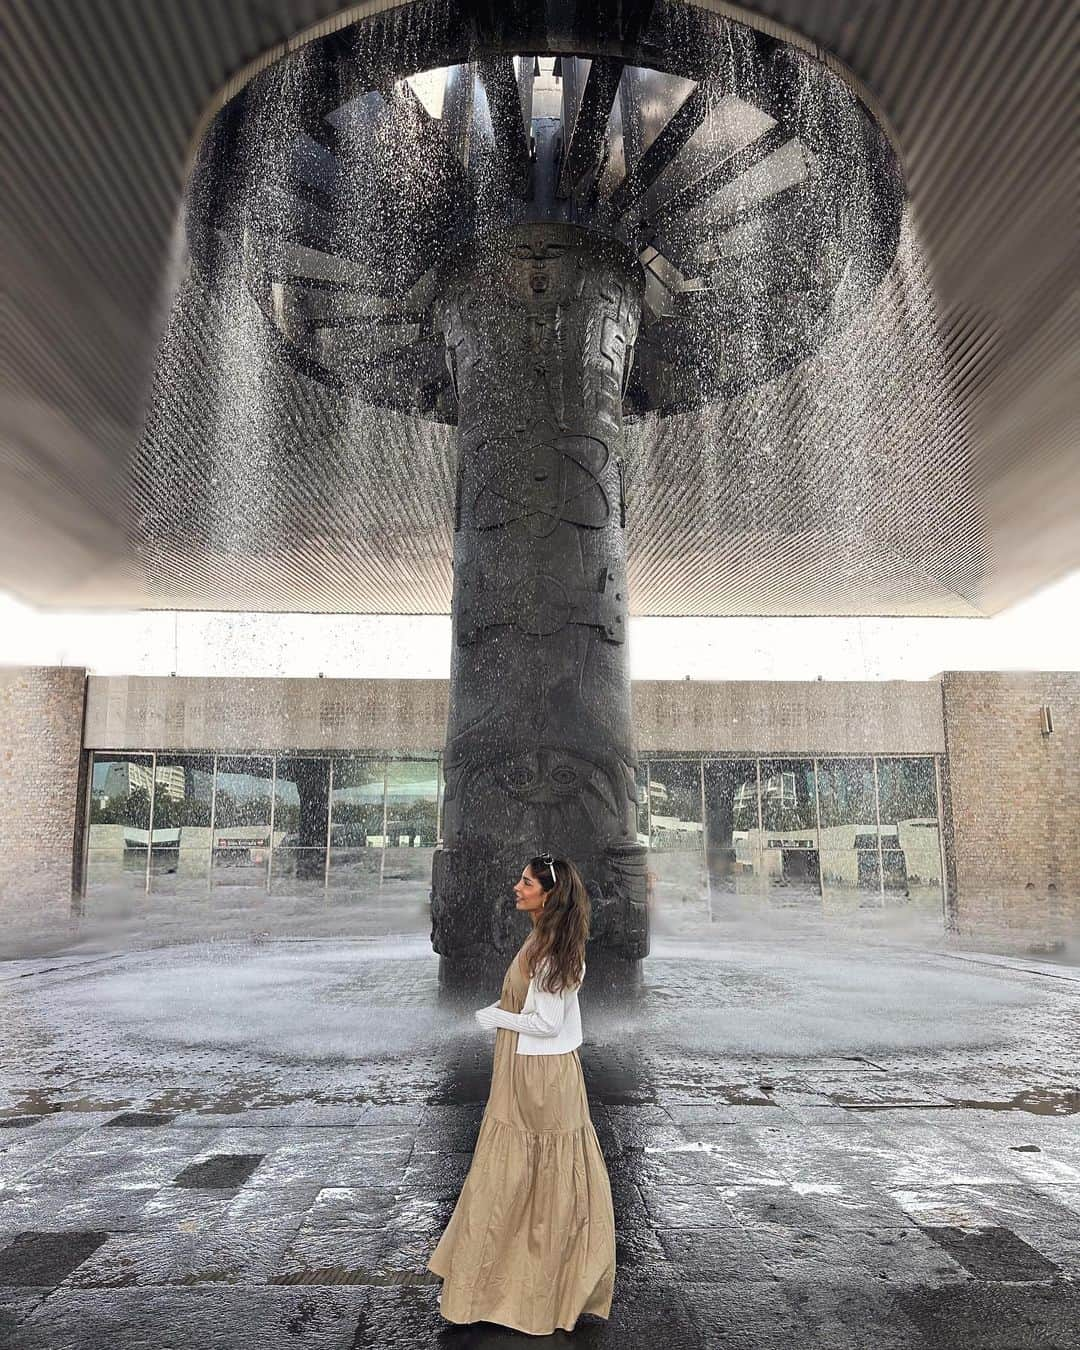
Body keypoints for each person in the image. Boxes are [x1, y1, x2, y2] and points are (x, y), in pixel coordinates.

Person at [427, 854, 616, 1334]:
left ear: (547, 895)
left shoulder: (552, 952)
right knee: (520, 1177)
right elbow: (531, 1005)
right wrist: (504, 1008)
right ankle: (507, 1285)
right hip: (527, 1070)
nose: (517, 887)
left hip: (541, 1077)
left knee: (531, 1177)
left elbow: (547, 1023)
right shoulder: (541, 939)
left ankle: (536, 1292)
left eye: (526, 882)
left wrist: (496, 1019)